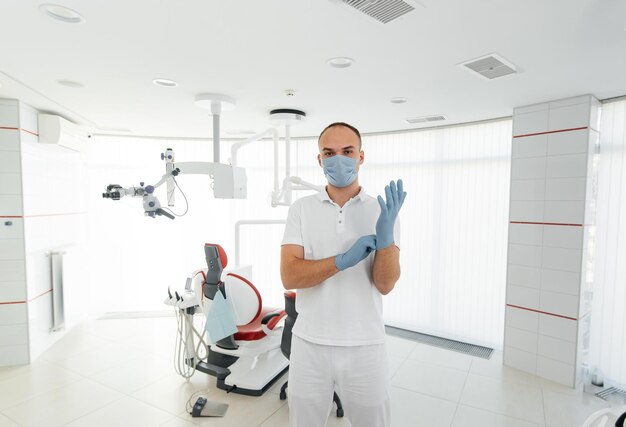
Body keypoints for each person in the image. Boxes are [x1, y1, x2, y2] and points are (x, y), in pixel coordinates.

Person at [280, 122, 406, 427]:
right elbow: (290, 276)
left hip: (365, 345)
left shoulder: (382, 210)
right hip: (309, 343)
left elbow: (385, 284)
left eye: (347, 151)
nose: (339, 159)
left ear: (361, 157)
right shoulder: (301, 209)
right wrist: (341, 260)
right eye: (329, 152)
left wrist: (386, 240)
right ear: (320, 159)